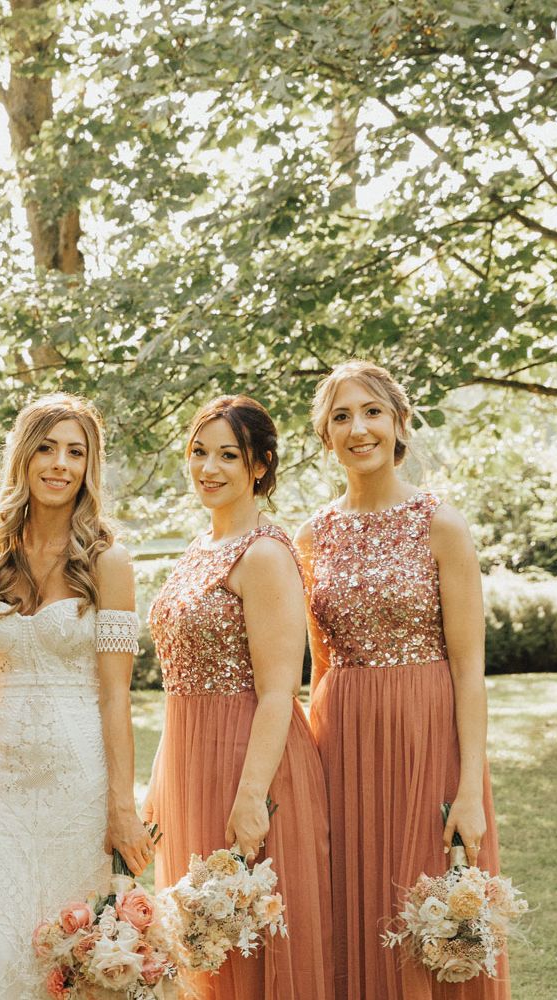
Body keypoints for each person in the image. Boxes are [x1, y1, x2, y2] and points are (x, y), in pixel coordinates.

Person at [296, 360, 509, 1000]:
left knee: (430, 912)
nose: (358, 428)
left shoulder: (440, 524)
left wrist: (468, 789)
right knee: (350, 908)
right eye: (341, 416)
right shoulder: (311, 536)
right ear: (325, 435)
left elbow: (471, 670)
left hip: (427, 737)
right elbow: (319, 665)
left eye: (371, 412)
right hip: (342, 742)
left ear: (399, 422)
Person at [145, 395, 334, 1000]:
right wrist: (159, 781)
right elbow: (179, 680)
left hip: (249, 766)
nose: (209, 467)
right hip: (190, 760)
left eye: (228, 454)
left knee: (248, 942)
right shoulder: (200, 548)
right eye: (199, 452)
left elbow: (280, 690)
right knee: (202, 937)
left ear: (260, 465)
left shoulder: (266, 554)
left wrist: (252, 796)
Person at [0, 394, 150, 1000]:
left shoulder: (108, 562)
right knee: (0, 924)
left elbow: (115, 694)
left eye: (76, 452)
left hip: (81, 775)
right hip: (0, 780)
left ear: (89, 467)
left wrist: (123, 803)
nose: (60, 464)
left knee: (75, 937)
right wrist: (20, 705)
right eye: (46, 447)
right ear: (22, 456)